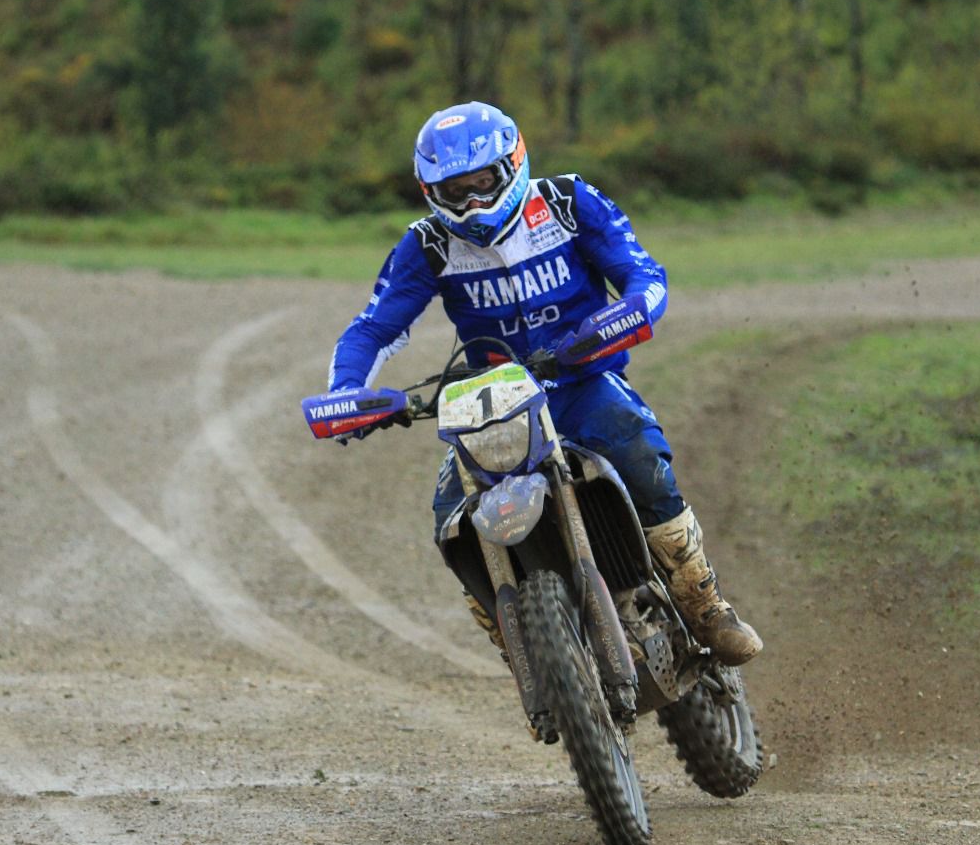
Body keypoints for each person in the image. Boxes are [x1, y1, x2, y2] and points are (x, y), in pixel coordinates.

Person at [324, 101, 761, 666]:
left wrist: (623, 316)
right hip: (491, 402)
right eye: (456, 190)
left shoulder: (567, 202)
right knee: (450, 517)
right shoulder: (428, 244)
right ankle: (524, 656)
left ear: (513, 163)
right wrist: (346, 392)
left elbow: (643, 275)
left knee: (634, 442)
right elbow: (373, 328)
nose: (475, 201)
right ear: (432, 191)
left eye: (484, 181)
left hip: (582, 380)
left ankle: (706, 606)